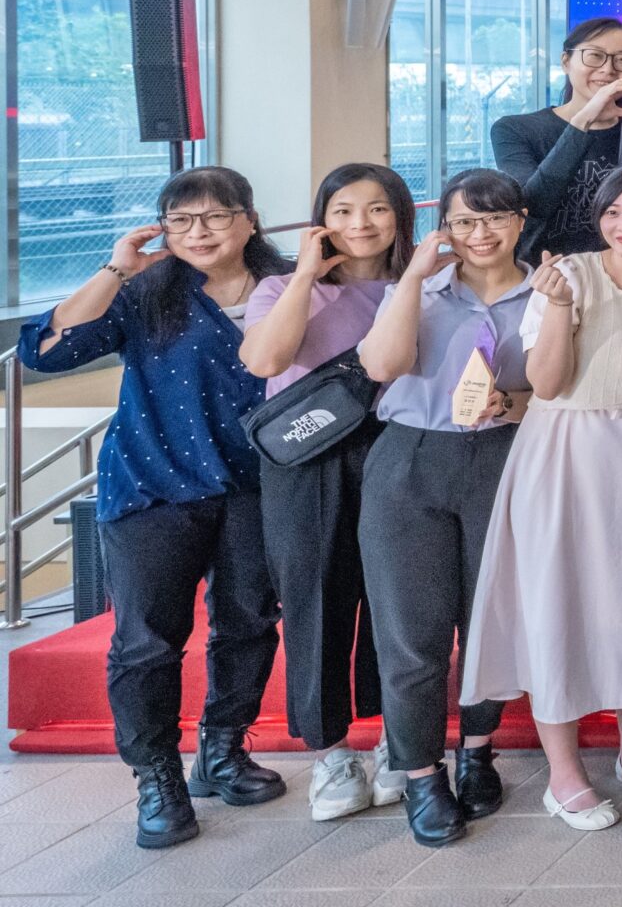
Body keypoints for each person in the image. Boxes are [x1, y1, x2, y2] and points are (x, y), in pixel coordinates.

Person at [19, 168, 290, 848]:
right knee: (146, 642)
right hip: (154, 486)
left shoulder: (288, 284)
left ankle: (222, 749)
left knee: (249, 622)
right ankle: (156, 776)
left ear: (249, 220)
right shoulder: (145, 292)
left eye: (216, 216)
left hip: (260, 485)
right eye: (182, 220)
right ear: (163, 229)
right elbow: (45, 352)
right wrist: (116, 269)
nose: (200, 232)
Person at [463, 165, 622, 833]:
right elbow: (546, 383)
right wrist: (562, 307)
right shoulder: (568, 275)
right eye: (613, 211)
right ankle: (563, 773)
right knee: (556, 602)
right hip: (562, 452)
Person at [356, 169, 536, 847]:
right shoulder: (419, 291)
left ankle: (478, 750)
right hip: (410, 460)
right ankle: (422, 775)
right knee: (411, 629)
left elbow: (561, 384)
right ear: (445, 228)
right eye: (464, 221)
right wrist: (412, 279)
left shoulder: (547, 292)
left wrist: (510, 402)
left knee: (491, 619)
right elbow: (382, 366)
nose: (479, 233)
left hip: (505, 456)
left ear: (520, 220)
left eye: (494, 218)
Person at [237, 164, 414, 821]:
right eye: (342, 210)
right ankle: (331, 753)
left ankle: (402, 737)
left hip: (399, 450)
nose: (360, 223)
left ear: (400, 216)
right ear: (321, 220)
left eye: (377, 208)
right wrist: (306, 275)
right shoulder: (281, 287)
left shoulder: (421, 285)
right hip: (305, 460)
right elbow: (265, 361)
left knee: (401, 601)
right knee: (313, 600)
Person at [493, 18, 622, 258]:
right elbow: (532, 205)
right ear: (566, 61)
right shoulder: (515, 129)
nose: (608, 69)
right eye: (595, 55)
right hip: (545, 272)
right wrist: (583, 120)